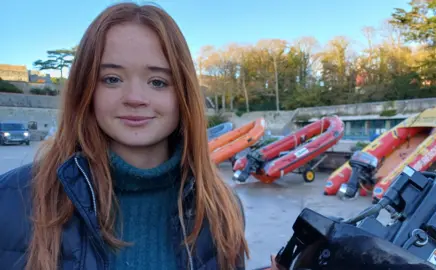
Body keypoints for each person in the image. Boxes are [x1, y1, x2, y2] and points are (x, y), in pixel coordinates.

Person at [0, 3, 249, 270]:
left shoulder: (222, 207)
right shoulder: (10, 199)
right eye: (112, 79)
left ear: (183, 95)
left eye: (157, 82)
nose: (135, 98)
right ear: (86, 89)